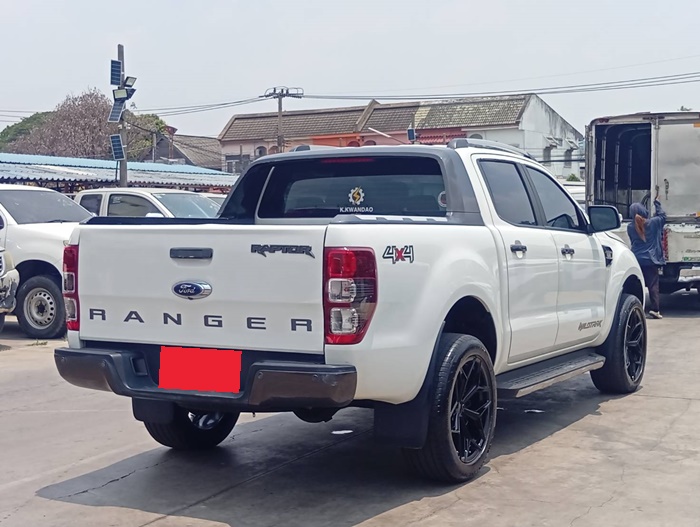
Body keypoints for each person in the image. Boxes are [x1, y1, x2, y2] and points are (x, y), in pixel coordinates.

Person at [627, 194, 667, 319]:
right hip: (650, 259)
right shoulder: (652, 223)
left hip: (636, 259)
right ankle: (655, 310)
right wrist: (657, 203)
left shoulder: (630, 227)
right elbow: (663, 217)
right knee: (653, 285)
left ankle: (635, 309)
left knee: (637, 284)